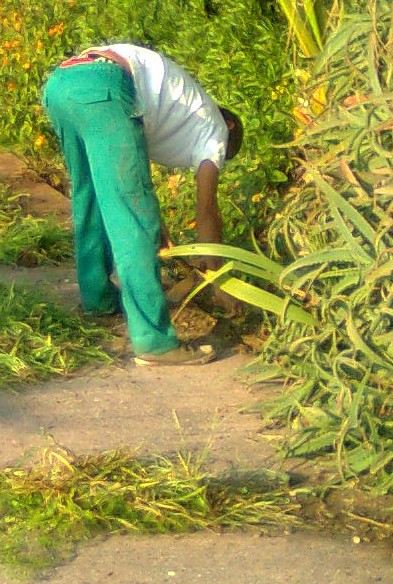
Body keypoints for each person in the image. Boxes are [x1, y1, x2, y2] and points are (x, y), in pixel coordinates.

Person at [41, 43, 243, 366]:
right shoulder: (217, 129)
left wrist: (156, 223)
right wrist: (218, 277)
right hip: (104, 88)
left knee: (90, 197)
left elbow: (127, 172)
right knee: (134, 218)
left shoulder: (182, 110)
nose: (219, 159)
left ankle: (98, 299)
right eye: (225, 156)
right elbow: (206, 210)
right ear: (230, 126)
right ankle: (154, 342)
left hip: (62, 84)